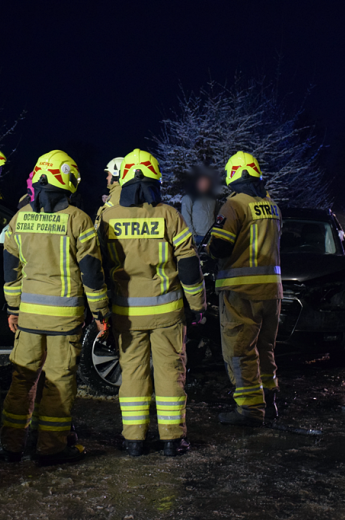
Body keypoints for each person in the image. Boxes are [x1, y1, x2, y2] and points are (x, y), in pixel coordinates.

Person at [0, 150, 110, 466]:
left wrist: (12, 308)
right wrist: (100, 313)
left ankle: (10, 445)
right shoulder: (79, 220)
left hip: (29, 319)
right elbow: (91, 272)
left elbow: (11, 269)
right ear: (68, 181)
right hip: (65, 321)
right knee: (59, 383)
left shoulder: (19, 219)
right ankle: (50, 448)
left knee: (22, 380)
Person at [97, 149, 206, 457]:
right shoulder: (169, 215)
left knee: (131, 373)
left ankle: (133, 440)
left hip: (126, 313)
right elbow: (188, 265)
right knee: (170, 372)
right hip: (167, 313)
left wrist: (100, 310)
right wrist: (197, 306)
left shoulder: (108, 216)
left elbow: (99, 266)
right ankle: (172, 440)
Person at [207, 151, 283, 426]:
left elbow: (220, 246)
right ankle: (270, 402)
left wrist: (208, 248)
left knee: (240, 351)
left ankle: (250, 409)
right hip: (272, 293)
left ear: (232, 176)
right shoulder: (271, 205)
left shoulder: (234, 205)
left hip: (240, 292)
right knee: (266, 348)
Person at [180, 165, 218, 245]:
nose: (204, 184)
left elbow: (215, 215)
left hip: (210, 236)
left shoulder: (212, 199)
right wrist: (193, 235)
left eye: (206, 182)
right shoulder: (189, 197)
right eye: (202, 182)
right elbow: (185, 217)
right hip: (197, 237)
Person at [95, 157, 123, 226]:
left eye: (109, 175)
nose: (107, 178)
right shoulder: (117, 192)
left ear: (116, 175)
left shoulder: (117, 194)